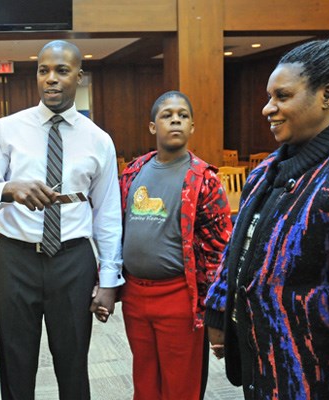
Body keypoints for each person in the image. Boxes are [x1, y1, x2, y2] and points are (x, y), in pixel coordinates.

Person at [0, 40, 123, 399]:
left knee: (73, 364)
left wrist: (111, 279)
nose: (51, 79)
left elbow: (108, 214)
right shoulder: (7, 129)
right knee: (16, 363)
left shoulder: (98, 141)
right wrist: (9, 189)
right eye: (43, 70)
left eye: (62, 71)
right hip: (14, 258)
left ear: (79, 78)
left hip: (73, 261)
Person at [205, 35, 329, 399]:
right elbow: (237, 246)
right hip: (262, 364)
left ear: (328, 95)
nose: (268, 108)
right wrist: (220, 313)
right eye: (269, 97)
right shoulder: (266, 170)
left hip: (313, 377)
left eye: (282, 96)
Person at [114, 91, 232, 399]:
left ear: (192, 126)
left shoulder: (203, 179)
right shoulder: (132, 172)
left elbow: (219, 252)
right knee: (145, 378)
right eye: (167, 115)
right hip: (135, 295)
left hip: (180, 296)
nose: (175, 119)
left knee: (180, 384)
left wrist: (215, 312)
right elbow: (116, 229)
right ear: (153, 127)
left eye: (182, 115)